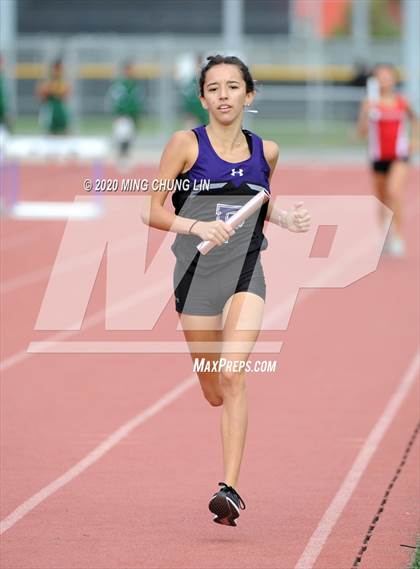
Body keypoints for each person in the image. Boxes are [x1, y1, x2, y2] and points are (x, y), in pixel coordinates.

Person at [143, 55, 311, 527]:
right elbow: (151, 211)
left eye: (233, 87)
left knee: (233, 374)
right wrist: (196, 225)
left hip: (244, 272)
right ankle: (215, 390)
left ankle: (230, 490)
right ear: (202, 98)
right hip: (194, 275)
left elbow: (258, 199)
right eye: (213, 88)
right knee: (213, 389)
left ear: (248, 96)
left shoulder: (267, 150)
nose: (223, 95)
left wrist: (284, 218)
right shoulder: (184, 145)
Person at [357, 63, 418, 257]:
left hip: (399, 156)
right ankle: (384, 233)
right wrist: (366, 113)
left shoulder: (402, 102)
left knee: (395, 191)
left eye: (387, 76)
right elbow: (361, 132)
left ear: (393, 79)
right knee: (383, 199)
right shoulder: (370, 103)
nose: (384, 80)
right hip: (378, 157)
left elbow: (415, 120)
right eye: (380, 77)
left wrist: (415, 141)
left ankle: (398, 236)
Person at [107, 61, 143, 159]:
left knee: (130, 138)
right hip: (122, 116)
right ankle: (121, 156)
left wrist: (137, 116)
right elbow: (117, 101)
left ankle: (125, 156)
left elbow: (137, 102)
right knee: (122, 138)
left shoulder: (134, 85)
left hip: (132, 116)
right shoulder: (120, 85)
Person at [36, 59, 71, 135]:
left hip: (60, 108)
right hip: (51, 108)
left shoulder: (63, 80)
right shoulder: (47, 80)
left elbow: (66, 94)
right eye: (57, 68)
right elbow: (42, 96)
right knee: (51, 132)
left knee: (64, 130)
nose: (59, 71)